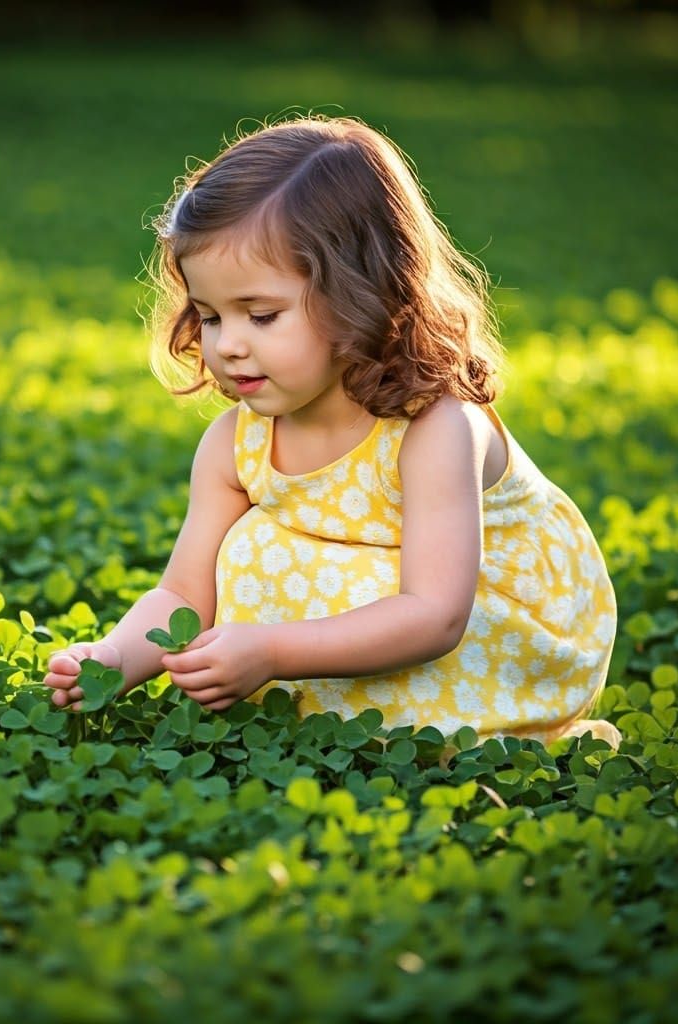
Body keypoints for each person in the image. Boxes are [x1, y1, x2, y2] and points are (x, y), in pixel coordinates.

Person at [43, 114, 621, 749]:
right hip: (349, 626)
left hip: (489, 633)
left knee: (312, 574)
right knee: (250, 553)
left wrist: (270, 650)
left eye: (262, 316)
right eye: (209, 316)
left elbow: (436, 614)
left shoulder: (434, 427)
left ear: (362, 294)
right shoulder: (234, 445)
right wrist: (112, 661)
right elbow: (186, 589)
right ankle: (319, 711)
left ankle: (411, 728)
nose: (228, 345)